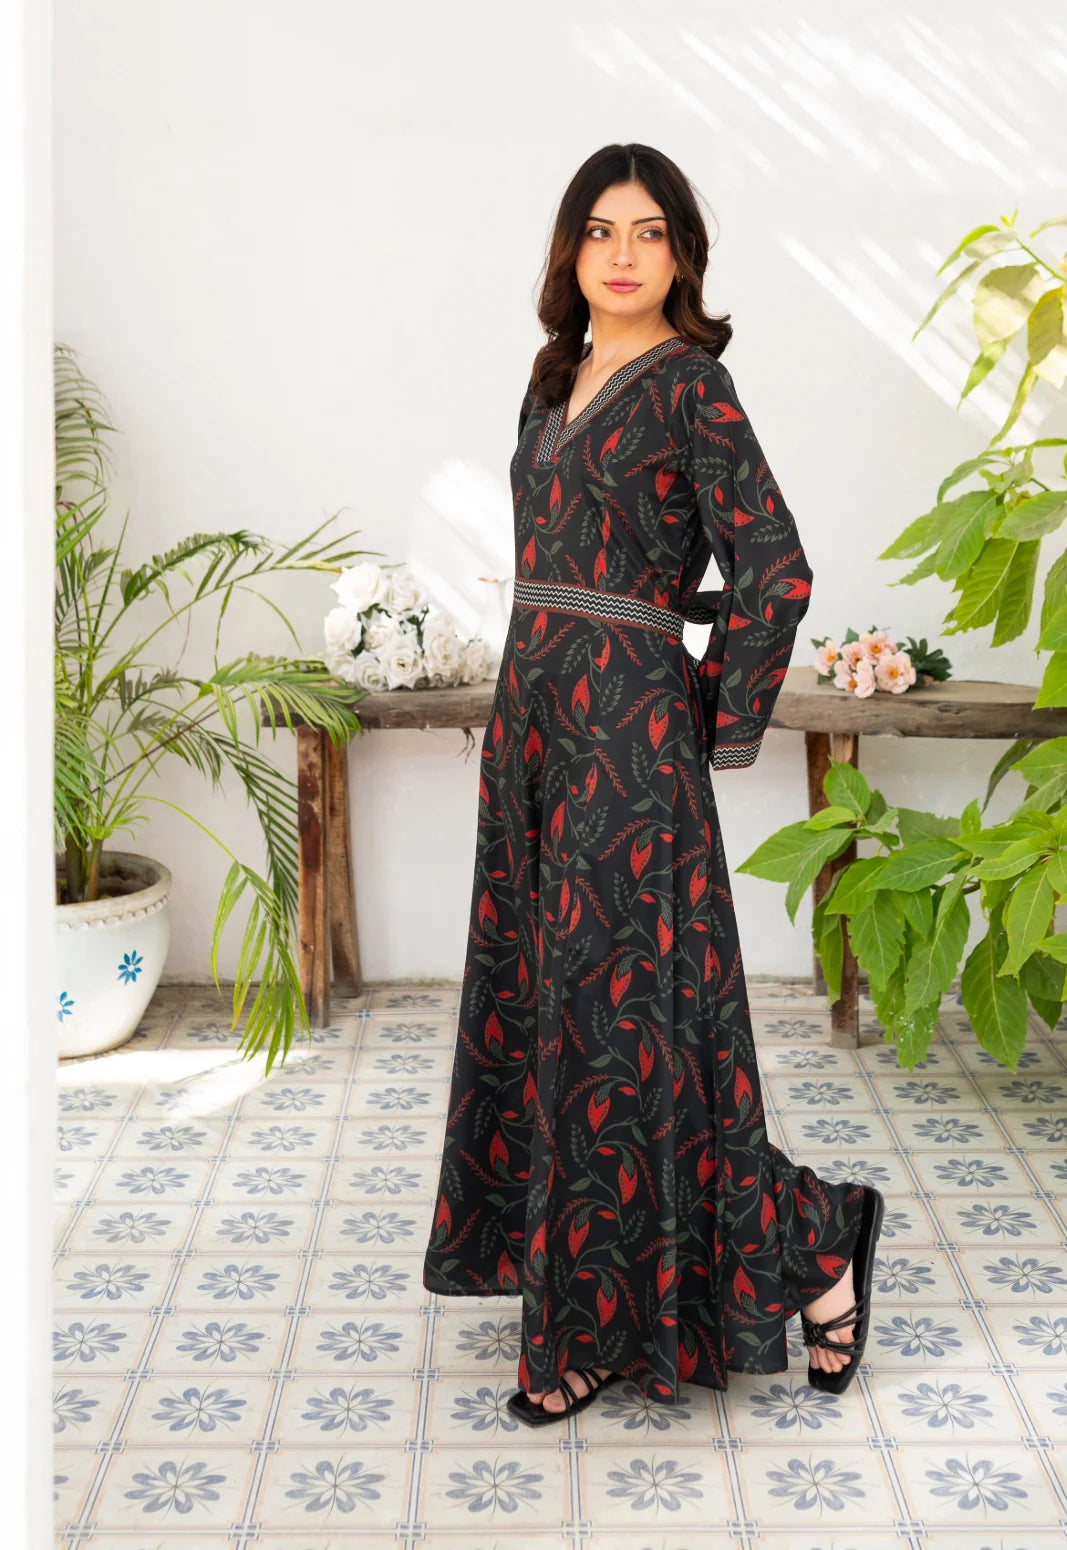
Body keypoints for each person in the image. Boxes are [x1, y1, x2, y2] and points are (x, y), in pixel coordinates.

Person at [423, 142, 883, 1424]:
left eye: (650, 232)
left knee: (638, 1033)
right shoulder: (551, 379)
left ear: (681, 254)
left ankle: (782, 1263)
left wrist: (698, 710)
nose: (622, 253)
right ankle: (633, 1296)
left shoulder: (695, 389)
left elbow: (775, 569)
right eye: (598, 230)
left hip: (625, 746)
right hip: (532, 732)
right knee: (558, 1017)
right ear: (570, 250)